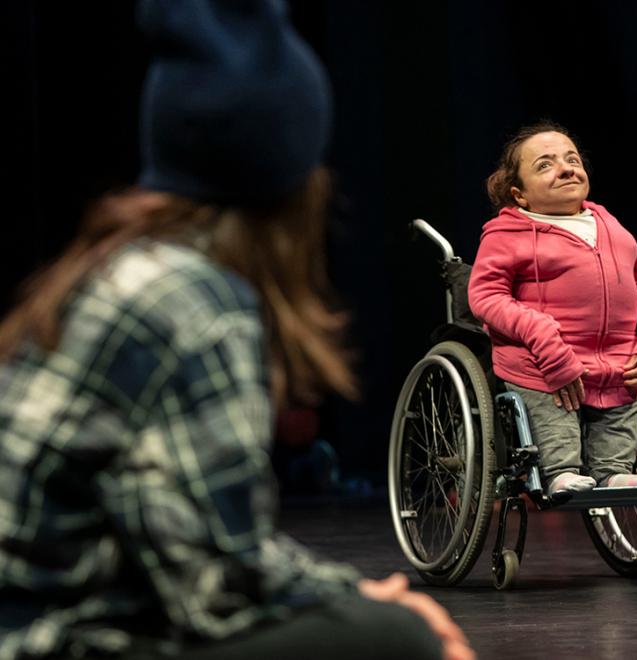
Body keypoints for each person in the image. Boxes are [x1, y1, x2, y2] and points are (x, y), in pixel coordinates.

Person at [0, 2, 473, 659]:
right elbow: (215, 584)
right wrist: (369, 608)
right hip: (54, 640)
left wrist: (348, 595)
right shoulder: (199, 304)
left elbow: (195, 540)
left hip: (56, 618)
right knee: (403, 641)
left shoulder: (128, 267)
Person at [468, 122, 637, 497]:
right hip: (542, 364)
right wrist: (543, 338)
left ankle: (613, 472)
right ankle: (561, 470)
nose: (565, 168)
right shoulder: (506, 233)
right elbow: (486, 297)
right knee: (554, 414)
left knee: (620, 411)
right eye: (545, 165)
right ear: (521, 195)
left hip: (615, 362)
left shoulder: (611, 226)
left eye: (572, 159)